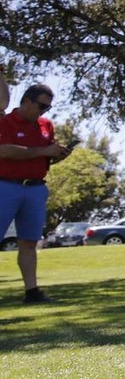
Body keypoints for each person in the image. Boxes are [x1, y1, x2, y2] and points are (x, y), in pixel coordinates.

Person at [0, 81, 75, 304]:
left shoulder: (45, 126)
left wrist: (58, 155)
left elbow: (45, 156)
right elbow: (5, 151)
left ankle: (32, 291)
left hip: (35, 188)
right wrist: (44, 150)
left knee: (29, 242)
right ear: (26, 101)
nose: (43, 112)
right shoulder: (5, 122)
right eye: (41, 106)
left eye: (47, 108)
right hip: (5, 186)